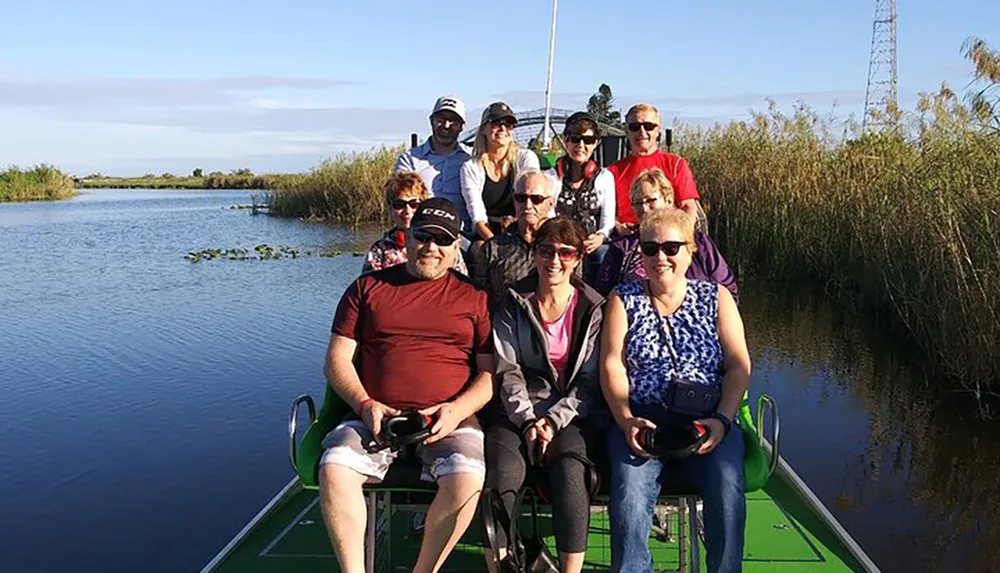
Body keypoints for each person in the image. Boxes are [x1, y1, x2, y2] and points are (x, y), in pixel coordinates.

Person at [318, 197, 494, 573]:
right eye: (423, 236)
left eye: (443, 240)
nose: (432, 247)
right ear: (408, 238)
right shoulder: (366, 288)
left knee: (467, 478)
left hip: (449, 421)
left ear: (456, 246)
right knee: (334, 467)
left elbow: (488, 377)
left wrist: (455, 411)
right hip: (374, 416)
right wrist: (365, 405)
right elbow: (336, 361)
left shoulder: (475, 297)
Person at [599, 208, 751, 573]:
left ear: (691, 249)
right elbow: (612, 364)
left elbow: (738, 365)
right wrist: (625, 418)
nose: (660, 258)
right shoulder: (623, 298)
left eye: (671, 247)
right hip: (642, 417)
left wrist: (722, 420)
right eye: (650, 249)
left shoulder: (716, 298)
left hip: (707, 417)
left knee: (728, 486)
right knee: (630, 496)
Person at [483, 216, 607, 573]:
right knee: (502, 472)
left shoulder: (593, 308)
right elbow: (507, 371)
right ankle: (502, 566)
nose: (555, 260)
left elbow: (588, 381)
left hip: (572, 414)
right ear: (535, 254)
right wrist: (527, 421)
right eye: (546, 250)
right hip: (517, 412)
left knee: (571, 469)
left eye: (566, 253)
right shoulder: (512, 303)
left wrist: (552, 421)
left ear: (578, 258)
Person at [594, 168, 738, 301]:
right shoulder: (622, 247)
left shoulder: (698, 242)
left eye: (651, 200)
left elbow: (728, 289)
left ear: (668, 200)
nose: (644, 208)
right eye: (637, 202)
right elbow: (603, 296)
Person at [468, 169, 558, 310]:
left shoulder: (563, 247)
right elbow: (480, 299)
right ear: (514, 200)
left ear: (550, 204)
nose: (528, 205)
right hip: (505, 323)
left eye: (536, 199)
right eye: (521, 198)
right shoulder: (493, 247)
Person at [607, 103, 703, 233]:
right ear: (627, 130)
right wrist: (619, 228)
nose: (642, 132)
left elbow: (688, 207)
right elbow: (607, 213)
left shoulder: (675, 165)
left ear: (658, 131)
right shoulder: (613, 171)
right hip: (626, 241)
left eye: (649, 126)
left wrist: (681, 236)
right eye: (635, 127)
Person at [547, 111, 616, 286]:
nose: (581, 145)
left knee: (603, 253)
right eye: (575, 139)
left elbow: (607, 221)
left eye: (588, 140)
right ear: (566, 141)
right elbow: (548, 217)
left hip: (592, 245)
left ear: (596, 143)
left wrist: (600, 236)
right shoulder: (551, 177)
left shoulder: (604, 177)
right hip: (561, 243)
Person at [460, 102, 541, 242]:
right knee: (479, 251)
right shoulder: (471, 167)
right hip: (487, 231)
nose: (503, 128)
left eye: (508, 123)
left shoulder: (526, 158)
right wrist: (496, 246)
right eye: (495, 123)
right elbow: (477, 216)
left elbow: (535, 202)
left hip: (524, 227)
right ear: (484, 129)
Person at [361, 171, 467, 275]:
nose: (407, 211)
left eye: (414, 204)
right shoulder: (380, 250)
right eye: (399, 204)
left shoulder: (446, 245)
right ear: (390, 208)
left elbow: (460, 282)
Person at [394, 96, 473, 233]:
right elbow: (402, 200)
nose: (446, 126)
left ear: (463, 126)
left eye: (453, 121)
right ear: (431, 121)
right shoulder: (409, 159)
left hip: (461, 234)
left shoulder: (472, 159)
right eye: (440, 120)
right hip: (420, 231)